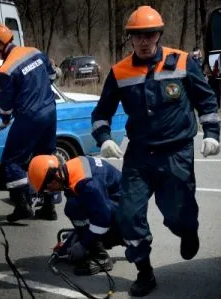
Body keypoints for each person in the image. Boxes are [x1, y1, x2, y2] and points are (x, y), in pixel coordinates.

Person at [90, 6, 220, 297]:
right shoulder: (119, 72)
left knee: (178, 214)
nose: (144, 41)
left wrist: (212, 134)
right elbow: (101, 113)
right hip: (139, 156)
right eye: (137, 37)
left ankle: (187, 230)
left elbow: (207, 102)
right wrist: (104, 138)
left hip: (177, 152)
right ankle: (144, 272)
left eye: (150, 35)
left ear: (159, 34)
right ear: (130, 39)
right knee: (127, 215)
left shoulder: (183, 63)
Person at [0, 23, 58, 222]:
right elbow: (51, 76)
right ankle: (49, 207)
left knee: (12, 161)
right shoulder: (35, 52)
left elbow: (6, 104)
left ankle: (22, 206)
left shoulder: (6, 70)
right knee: (45, 158)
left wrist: (5, 119)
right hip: (50, 112)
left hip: (29, 117)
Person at [28, 154, 124, 276]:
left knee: (76, 208)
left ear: (53, 178)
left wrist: (83, 245)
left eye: (48, 189)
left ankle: (101, 256)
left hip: (123, 210)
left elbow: (103, 220)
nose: (50, 192)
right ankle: (88, 237)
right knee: (73, 206)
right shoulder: (70, 171)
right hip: (110, 199)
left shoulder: (88, 185)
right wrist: (76, 237)